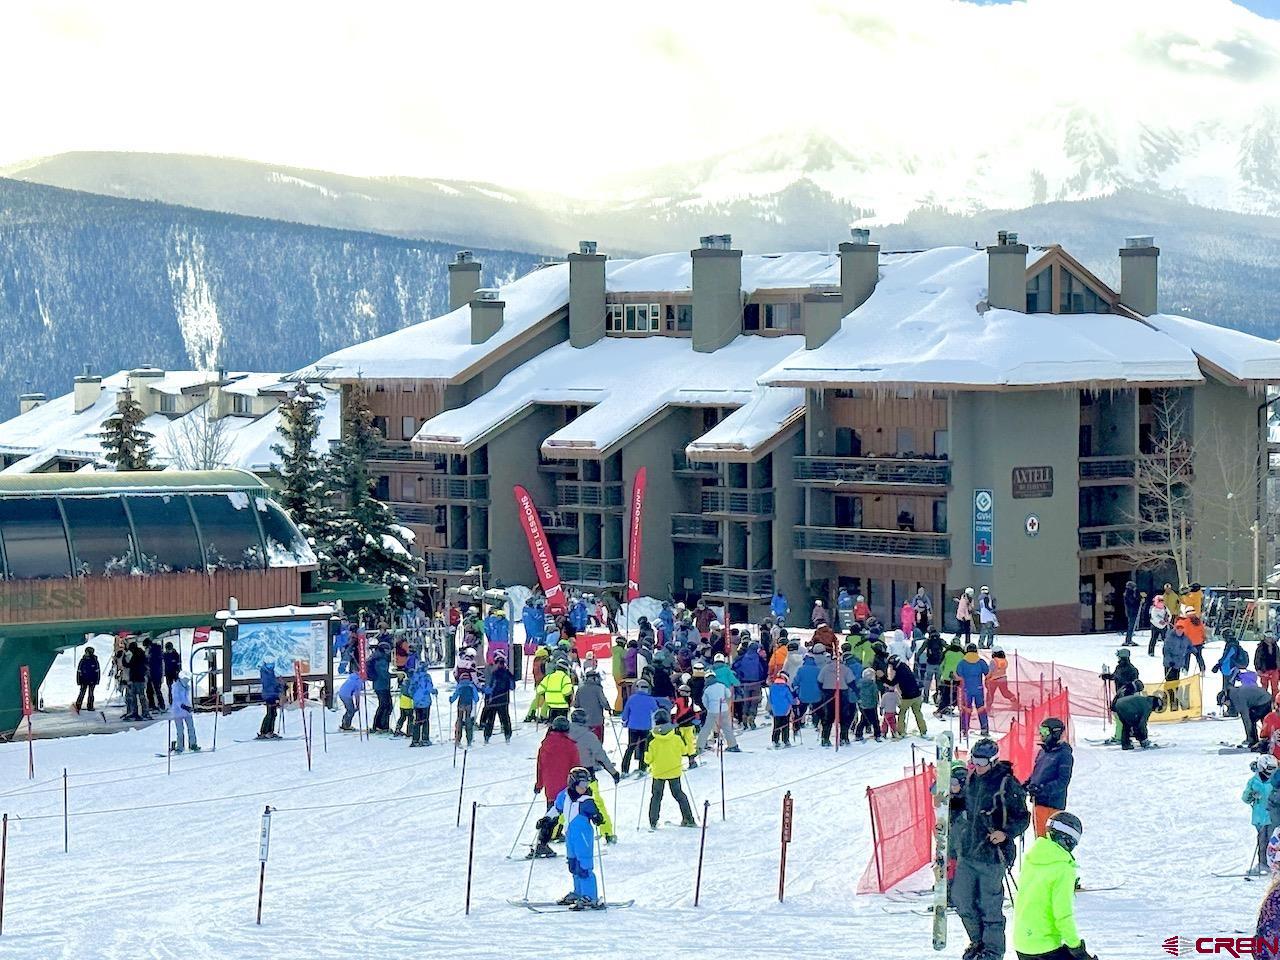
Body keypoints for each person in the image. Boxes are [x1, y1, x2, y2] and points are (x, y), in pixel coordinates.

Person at [952, 737, 1030, 960]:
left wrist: (1005, 833)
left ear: (994, 761)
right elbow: (966, 805)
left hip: (993, 856)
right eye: (973, 760)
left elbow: (1022, 817)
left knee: (989, 906)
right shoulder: (973, 778)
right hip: (968, 851)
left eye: (982, 761)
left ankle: (993, 951)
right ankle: (977, 942)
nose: (977, 765)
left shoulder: (1007, 783)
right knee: (962, 900)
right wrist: (952, 797)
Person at [1012, 812, 1097, 960]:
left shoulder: (1033, 857)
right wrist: (1076, 948)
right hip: (1045, 947)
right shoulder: (1063, 869)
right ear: (1068, 840)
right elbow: (1062, 915)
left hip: (1022, 943)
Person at [557, 768, 607, 908]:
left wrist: (598, 818)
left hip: (583, 837)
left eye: (587, 785)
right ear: (573, 783)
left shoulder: (586, 800)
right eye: (582, 785)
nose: (584, 788)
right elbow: (557, 808)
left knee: (584, 866)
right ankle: (578, 892)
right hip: (570, 836)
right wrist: (547, 819)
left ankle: (590, 896)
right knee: (573, 865)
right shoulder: (565, 796)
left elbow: (596, 814)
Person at [567, 710, 619, 842]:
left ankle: (552, 831)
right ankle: (607, 832)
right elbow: (601, 756)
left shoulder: (565, 733)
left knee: (565, 803)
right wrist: (613, 772)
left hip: (569, 776)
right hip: (587, 776)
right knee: (596, 804)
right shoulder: (589, 736)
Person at [644, 709, 697, 829]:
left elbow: (648, 758)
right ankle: (689, 818)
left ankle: (653, 821)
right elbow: (684, 751)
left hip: (658, 772)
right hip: (674, 770)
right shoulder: (676, 734)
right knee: (679, 795)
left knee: (656, 796)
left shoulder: (651, 737)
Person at [1026, 717, 1073, 837]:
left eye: (1045, 732)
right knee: (1039, 837)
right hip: (1038, 803)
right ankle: (1040, 855)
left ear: (1055, 733)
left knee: (1048, 838)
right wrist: (1025, 785)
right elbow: (1036, 773)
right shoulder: (1043, 752)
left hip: (1052, 805)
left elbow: (1062, 781)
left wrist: (1042, 789)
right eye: (1041, 731)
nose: (1041, 735)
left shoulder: (1064, 755)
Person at [1245, 755, 1280, 875]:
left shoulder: (1276, 781)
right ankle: (1263, 864)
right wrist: (1251, 794)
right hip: (1260, 817)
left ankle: (1274, 864)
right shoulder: (1254, 781)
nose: (1270, 772)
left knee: (1273, 841)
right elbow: (1245, 798)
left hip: (1273, 816)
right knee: (1263, 841)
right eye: (1268, 769)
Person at [619, 678, 658, 775]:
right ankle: (642, 768)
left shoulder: (632, 698)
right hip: (645, 727)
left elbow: (625, 712)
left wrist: (624, 720)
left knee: (630, 747)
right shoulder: (651, 699)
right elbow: (656, 711)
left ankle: (624, 769)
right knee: (643, 748)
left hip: (633, 727)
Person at [696, 669, 741, 753]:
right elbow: (729, 694)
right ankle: (733, 745)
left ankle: (699, 746)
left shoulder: (707, 689)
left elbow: (704, 701)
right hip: (723, 709)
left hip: (712, 711)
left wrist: (709, 708)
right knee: (727, 728)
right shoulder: (722, 685)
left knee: (706, 728)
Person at [955, 643, 991, 736]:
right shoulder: (980, 661)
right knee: (981, 708)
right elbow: (988, 673)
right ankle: (984, 729)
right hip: (978, 689)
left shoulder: (962, 662)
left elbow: (957, 676)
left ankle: (964, 729)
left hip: (966, 690)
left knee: (966, 709)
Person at [480, 651, 515, 744]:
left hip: (494, 701)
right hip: (504, 700)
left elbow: (491, 687)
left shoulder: (494, 674)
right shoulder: (508, 673)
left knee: (491, 720)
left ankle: (487, 737)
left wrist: (486, 692)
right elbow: (512, 687)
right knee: (505, 719)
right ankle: (507, 736)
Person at [888, 654, 927, 737]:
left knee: (902, 714)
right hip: (917, 695)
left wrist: (883, 678)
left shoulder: (899, 672)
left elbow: (892, 683)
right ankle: (923, 730)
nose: (891, 667)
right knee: (918, 713)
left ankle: (901, 732)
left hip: (907, 697)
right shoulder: (905, 666)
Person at [1231, 681, 1275, 749]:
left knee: (1251, 720)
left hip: (1262, 701)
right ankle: (1269, 739)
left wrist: (1249, 736)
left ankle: (1254, 741)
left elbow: (1246, 718)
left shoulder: (1237, 698)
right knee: (1266, 720)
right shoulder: (1235, 692)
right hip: (1266, 697)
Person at [405, 661, 435, 747]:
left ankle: (415, 739)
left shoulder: (415, 676)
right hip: (425, 701)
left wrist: (414, 696)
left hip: (417, 702)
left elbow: (410, 689)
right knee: (425, 720)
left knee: (417, 720)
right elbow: (429, 688)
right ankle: (425, 739)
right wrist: (433, 691)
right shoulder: (426, 677)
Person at [169, 671, 200, 753]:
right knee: (180, 730)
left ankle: (193, 744)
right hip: (178, 712)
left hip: (187, 712)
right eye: (186, 679)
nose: (187, 681)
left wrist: (190, 707)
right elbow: (177, 700)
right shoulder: (175, 687)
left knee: (191, 728)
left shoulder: (187, 687)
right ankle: (180, 747)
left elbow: (187, 699)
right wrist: (184, 707)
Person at [538, 660, 574, 725]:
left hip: (551, 704)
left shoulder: (549, 677)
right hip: (562, 705)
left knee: (553, 724)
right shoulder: (565, 678)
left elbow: (539, 689)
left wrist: (546, 694)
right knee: (562, 725)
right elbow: (566, 692)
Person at [368, 641, 393, 733]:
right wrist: (393, 675)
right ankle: (381, 726)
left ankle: (380, 725)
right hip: (382, 685)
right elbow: (383, 673)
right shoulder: (381, 659)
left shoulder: (377, 656)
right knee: (385, 706)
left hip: (380, 685)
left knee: (384, 705)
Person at [450, 675, 481, 747]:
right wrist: (476, 699)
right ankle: (469, 740)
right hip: (468, 705)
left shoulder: (460, 685)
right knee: (468, 721)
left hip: (461, 704)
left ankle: (458, 740)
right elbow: (476, 698)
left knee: (459, 720)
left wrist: (451, 700)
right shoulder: (471, 686)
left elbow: (456, 694)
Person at [768, 672, 797, 748]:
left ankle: (775, 740)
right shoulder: (786, 688)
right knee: (785, 725)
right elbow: (790, 699)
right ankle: (785, 740)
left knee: (776, 726)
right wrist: (795, 702)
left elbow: (770, 699)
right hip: (785, 710)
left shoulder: (772, 687)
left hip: (776, 710)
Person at [920, 628, 945, 705]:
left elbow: (921, 650)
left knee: (928, 681)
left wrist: (917, 658)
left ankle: (926, 697)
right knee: (938, 681)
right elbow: (947, 647)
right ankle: (938, 697)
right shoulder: (940, 640)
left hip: (930, 663)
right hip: (939, 663)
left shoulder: (928, 641)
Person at [257, 661, 281, 740]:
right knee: (270, 713)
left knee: (273, 713)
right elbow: (270, 685)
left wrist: (280, 686)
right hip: (269, 695)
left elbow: (274, 683)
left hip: (273, 694)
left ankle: (270, 731)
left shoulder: (270, 673)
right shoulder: (266, 673)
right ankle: (264, 731)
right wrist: (279, 687)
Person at [74, 646, 100, 713]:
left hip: (92, 680)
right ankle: (78, 705)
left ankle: (90, 706)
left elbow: (97, 671)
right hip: (83, 680)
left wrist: (97, 680)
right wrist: (78, 680)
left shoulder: (94, 660)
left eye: (87, 652)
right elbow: (79, 671)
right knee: (82, 692)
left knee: (91, 693)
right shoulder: (83, 660)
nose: (86, 653)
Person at [145, 639, 166, 711]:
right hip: (152, 672)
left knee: (157, 689)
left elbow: (155, 661)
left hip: (156, 672)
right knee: (149, 690)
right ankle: (152, 705)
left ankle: (161, 705)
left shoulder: (155, 650)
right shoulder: (152, 651)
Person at [1258, 634, 1280, 700]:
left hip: (1275, 669)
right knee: (1264, 687)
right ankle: (1264, 701)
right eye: (1267, 637)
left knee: (1275, 687)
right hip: (1264, 669)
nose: (1269, 639)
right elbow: (1257, 659)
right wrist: (1258, 669)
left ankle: (1276, 701)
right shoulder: (1261, 647)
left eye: (1270, 637)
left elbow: (1278, 657)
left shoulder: (1275, 646)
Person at [1120, 581, 1142, 647]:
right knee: (1131, 626)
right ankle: (1128, 640)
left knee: (1132, 626)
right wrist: (1138, 600)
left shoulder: (1129, 593)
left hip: (1131, 611)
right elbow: (1132, 601)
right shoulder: (1129, 593)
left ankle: (1129, 639)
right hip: (1132, 611)